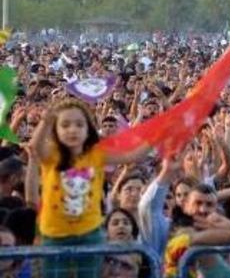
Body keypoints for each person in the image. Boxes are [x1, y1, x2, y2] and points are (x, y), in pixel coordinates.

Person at [29, 99, 152, 278]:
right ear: (56, 130)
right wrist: (45, 121)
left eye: (79, 125)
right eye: (65, 125)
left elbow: (134, 154)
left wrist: (160, 134)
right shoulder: (51, 155)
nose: (72, 130)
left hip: (90, 233)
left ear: (88, 130)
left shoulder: (97, 154)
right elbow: (35, 147)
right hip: (54, 234)